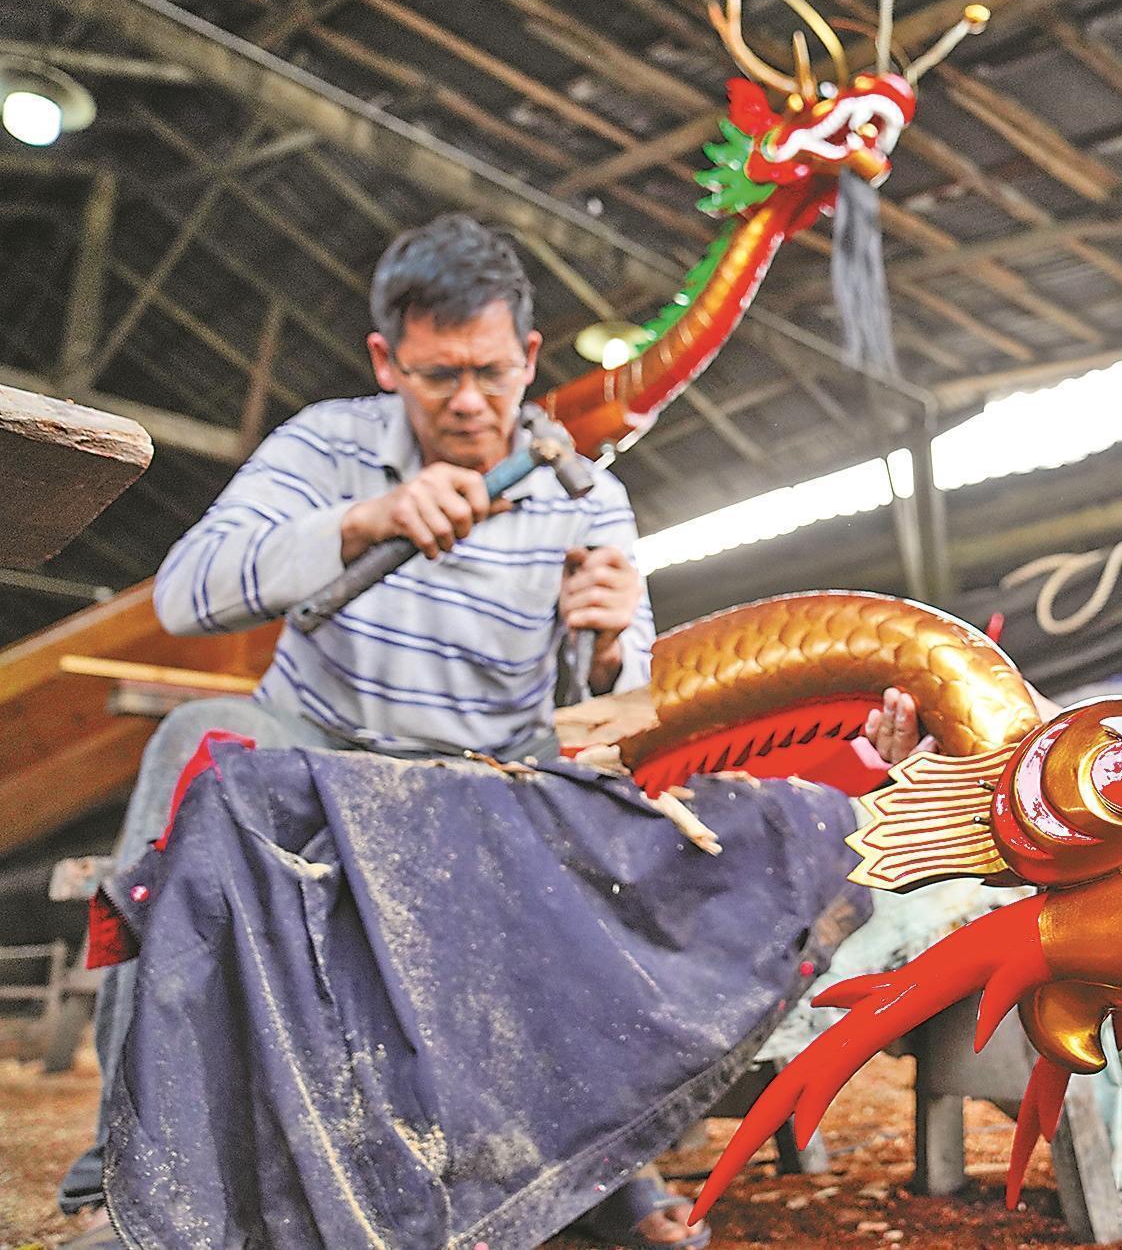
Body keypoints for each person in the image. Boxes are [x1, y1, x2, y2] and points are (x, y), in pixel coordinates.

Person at [58, 213, 685, 1246]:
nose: (472, 402)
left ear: (529, 357)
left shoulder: (591, 498)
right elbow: (182, 594)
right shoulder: (327, 445)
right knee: (195, 741)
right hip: (324, 753)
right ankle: (118, 1171)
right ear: (387, 362)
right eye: (440, 377)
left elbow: (626, 710)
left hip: (487, 776)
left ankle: (617, 1179)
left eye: (491, 371)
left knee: (606, 818)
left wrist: (617, 651)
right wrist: (362, 520)